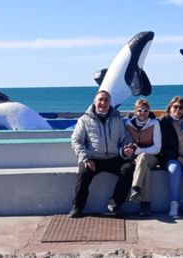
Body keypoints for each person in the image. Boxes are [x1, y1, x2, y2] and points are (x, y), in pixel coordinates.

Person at [69, 90, 135, 218]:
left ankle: (115, 204)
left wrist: (126, 150)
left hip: (114, 158)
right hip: (93, 158)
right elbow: (76, 140)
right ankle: (78, 206)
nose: (103, 103)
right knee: (84, 174)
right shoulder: (84, 120)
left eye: (106, 100)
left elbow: (125, 138)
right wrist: (85, 157)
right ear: (94, 102)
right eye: (100, 100)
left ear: (110, 103)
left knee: (128, 169)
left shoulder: (117, 119)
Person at [124, 98, 162, 217]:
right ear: (135, 111)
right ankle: (145, 205)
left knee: (144, 157)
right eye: (140, 110)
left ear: (149, 111)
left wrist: (139, 151)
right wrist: (133, 155)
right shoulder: (128, 124)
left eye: (146, 111)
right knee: (145, 169)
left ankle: (135, 188)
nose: (143, 113)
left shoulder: (154, 123)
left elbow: (157, 148)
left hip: (153, 157)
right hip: (136, 159)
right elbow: (126, 143)